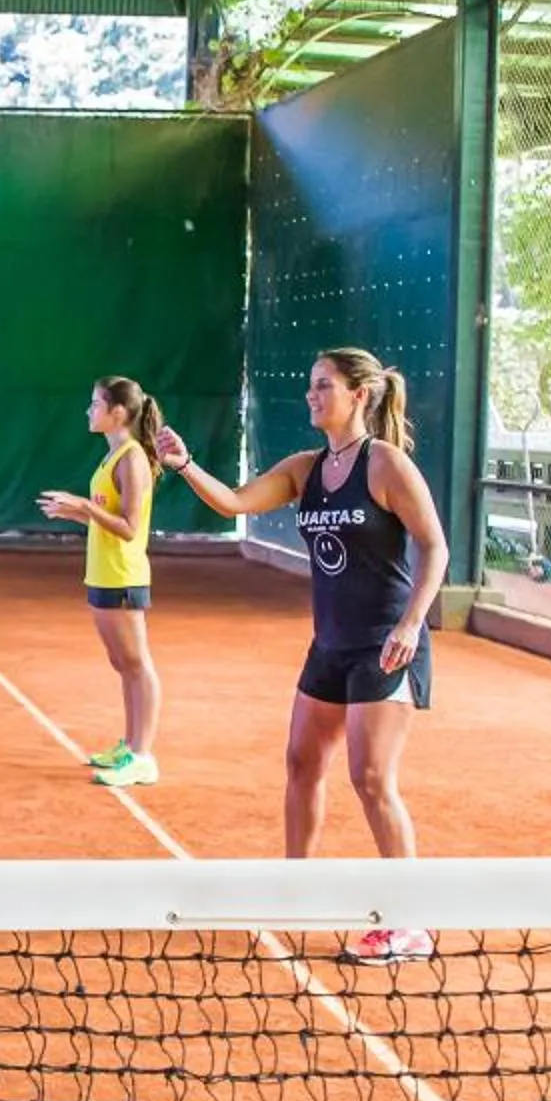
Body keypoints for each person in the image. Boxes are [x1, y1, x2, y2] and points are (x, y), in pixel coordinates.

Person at [153, 348, 450, 966]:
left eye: (324, 386)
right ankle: (296, 888)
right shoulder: (305, 468)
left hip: (385, 644)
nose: (312, 395)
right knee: (300, 762)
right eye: (311, 385)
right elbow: (235, 504)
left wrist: (412, 623)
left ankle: (410, 922)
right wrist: (184, 465)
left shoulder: (386, 465)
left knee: (370, 780)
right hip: (332, 642)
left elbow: (434, 547)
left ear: (359, 395)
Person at [38, 377, 162, 790]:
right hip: (104, 574)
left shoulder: (132, 458)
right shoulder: (111, 458)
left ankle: (143, 756)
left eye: (95, 404)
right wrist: (72, 511)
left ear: (118, 413)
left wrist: (84, 505)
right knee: (122, 665)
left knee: (137, 664)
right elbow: (103, 518)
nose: (88, 411)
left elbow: (129, 527)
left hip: (124, 576)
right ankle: (129, 746)